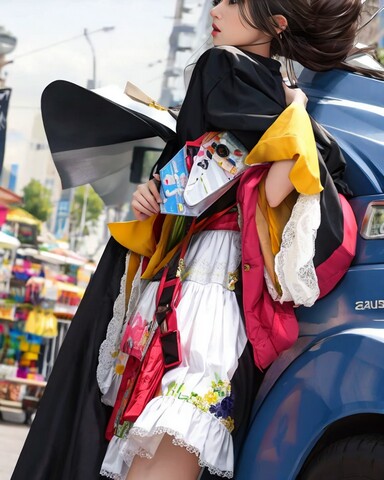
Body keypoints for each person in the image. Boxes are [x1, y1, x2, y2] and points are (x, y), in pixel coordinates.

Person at [10, 1, 378, 480]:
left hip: (201, 301)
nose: (217, 8)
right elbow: (203, 181)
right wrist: (157, 191)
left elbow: (271, 177)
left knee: (158, 437)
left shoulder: (226, 70)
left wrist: (297, 115)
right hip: (199, 300)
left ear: (277, 24)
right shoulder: (273, 107)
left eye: (235, 2)